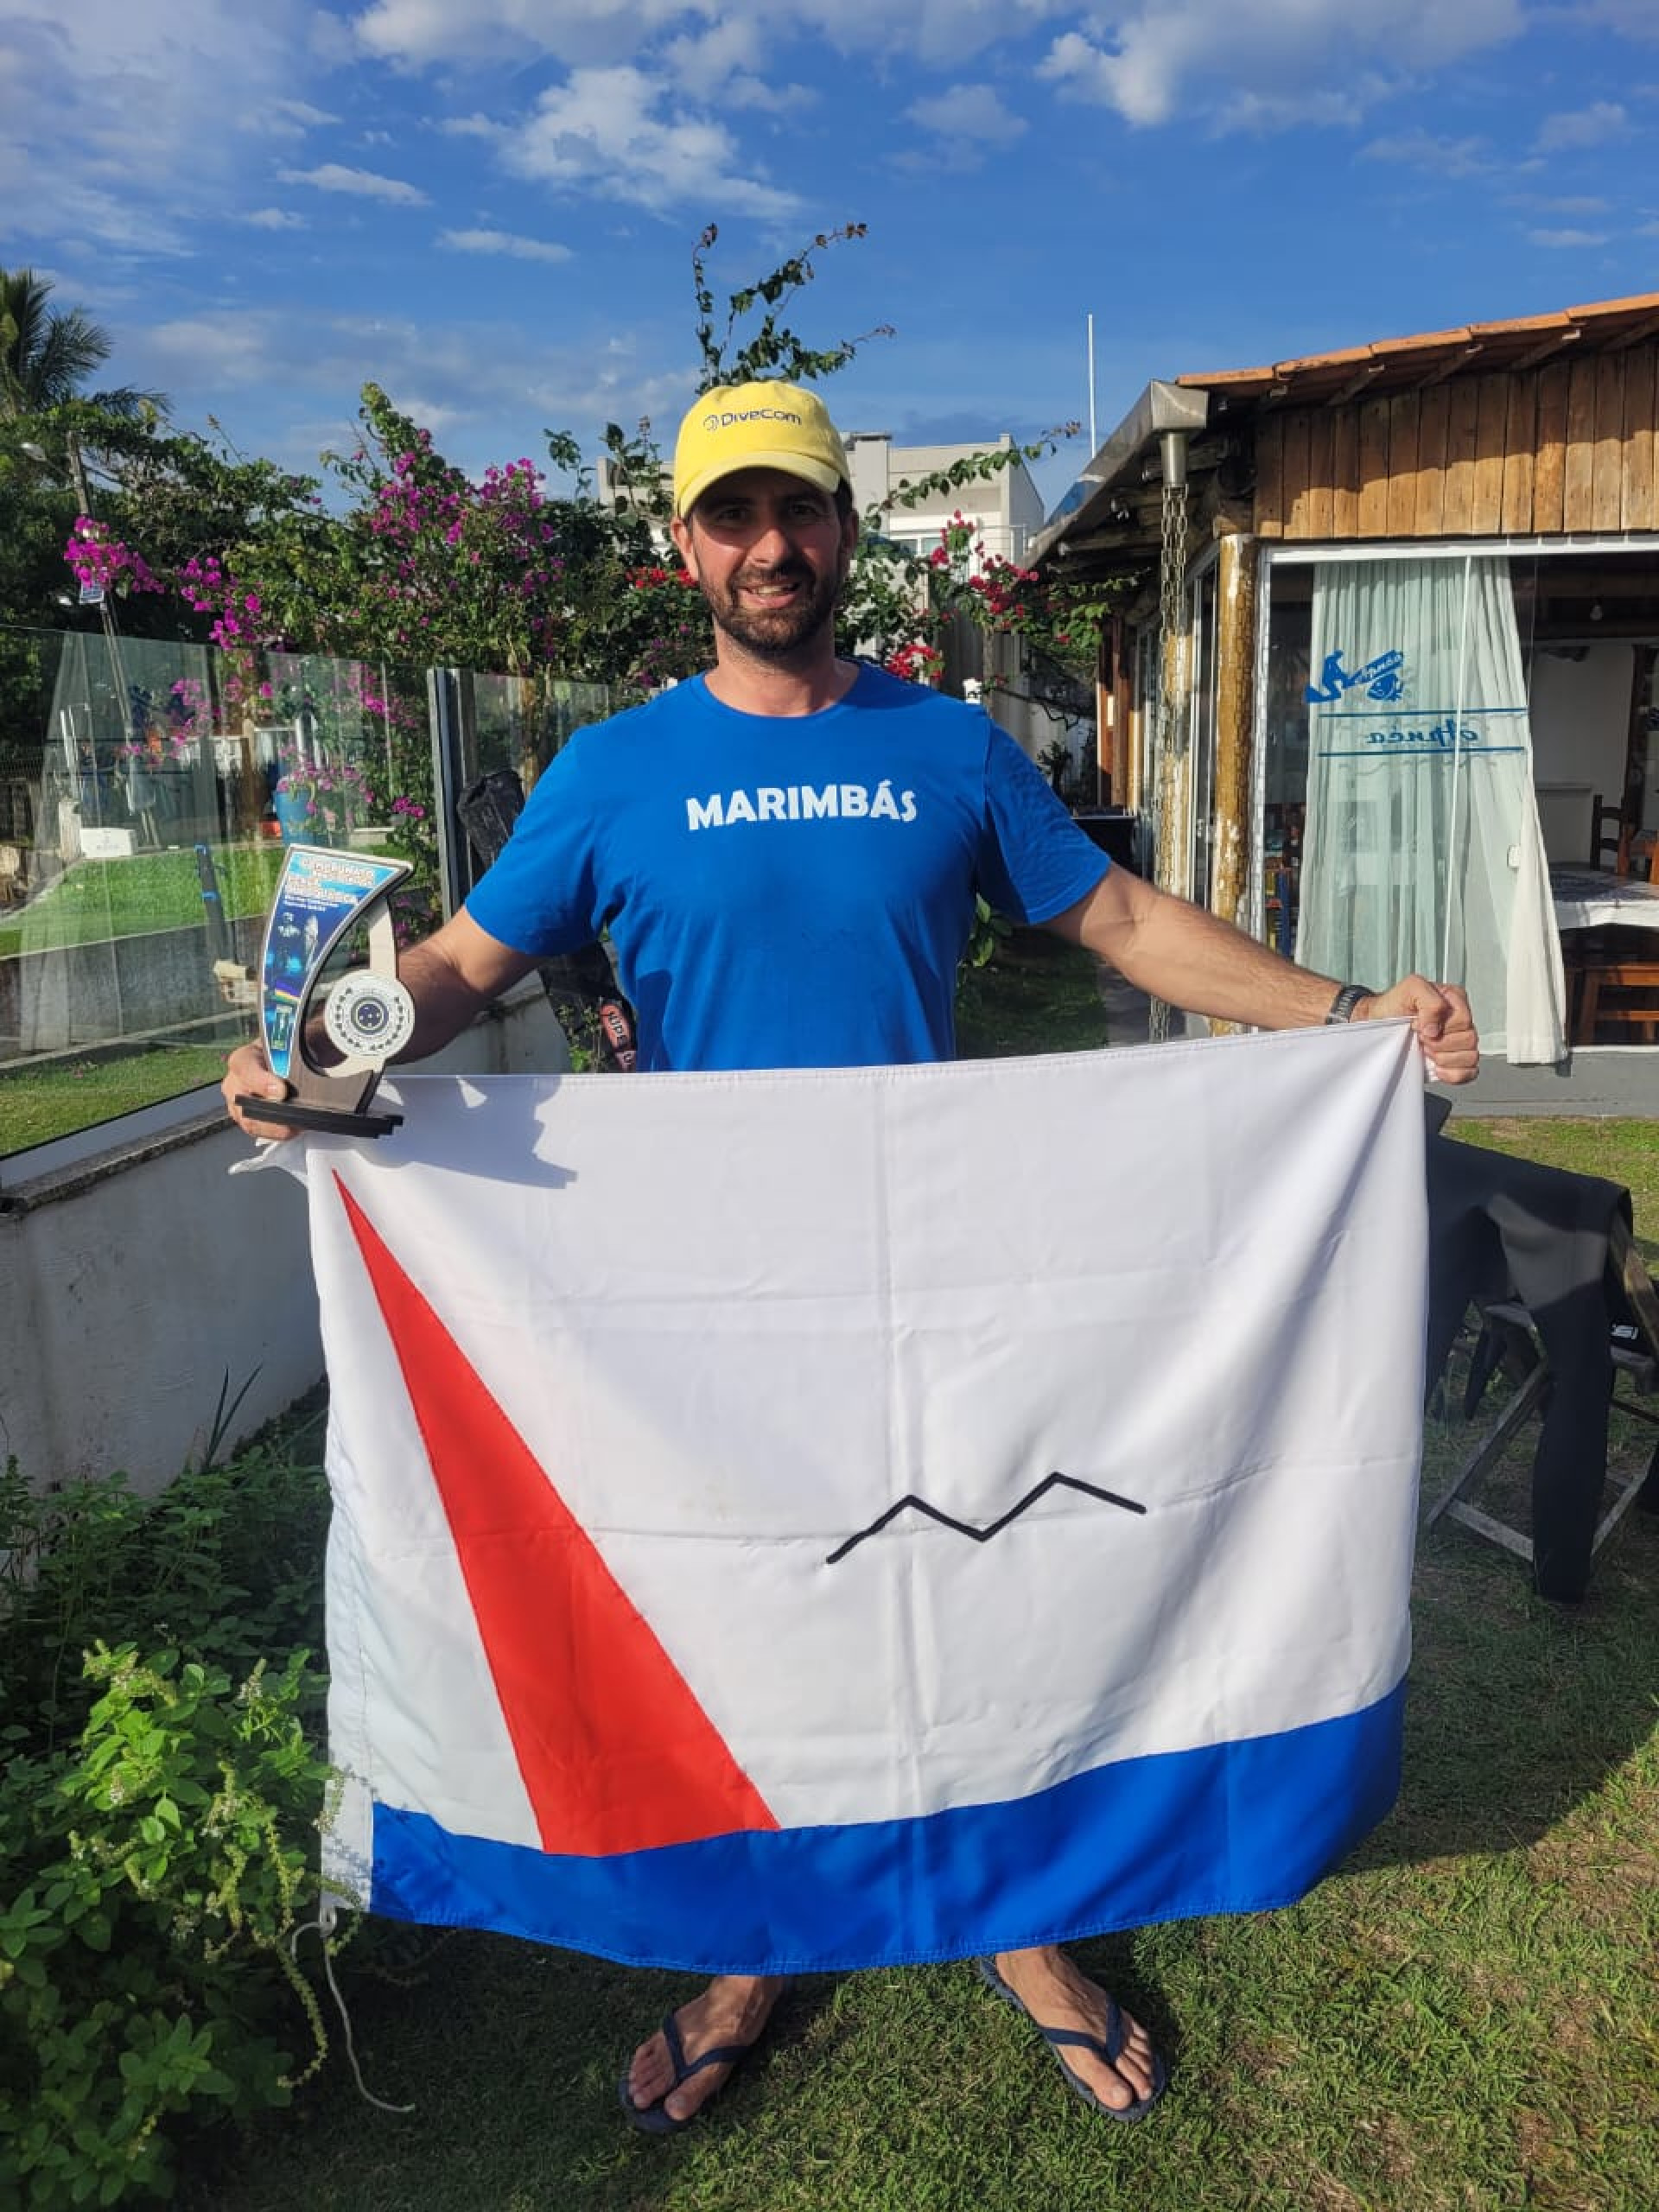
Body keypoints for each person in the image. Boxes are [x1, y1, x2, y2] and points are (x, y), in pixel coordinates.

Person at [223, 378, 1479, 2133]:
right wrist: (329, 1050)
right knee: (757, 1609)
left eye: (797, 510)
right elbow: (462, 963)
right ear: (684, 547)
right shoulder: (612, 772)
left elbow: (1113, 920)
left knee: (977, 1586)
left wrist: (1349, 1011)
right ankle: (757, 1945)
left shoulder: (947, 747)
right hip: (700, 1312)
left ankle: (1022, 1924)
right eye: (731, 516)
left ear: (841, 532)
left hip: (928, 1282)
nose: (769, 545)